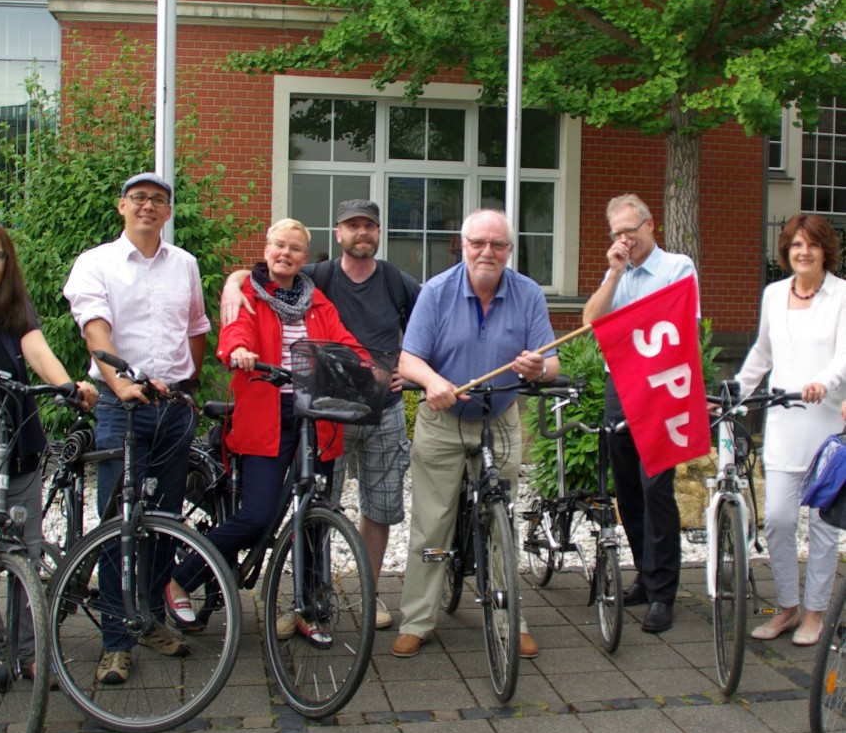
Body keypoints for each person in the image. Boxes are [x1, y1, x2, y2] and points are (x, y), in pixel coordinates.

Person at [220, 199, 420, 629]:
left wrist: (403, 369)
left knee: (360, 509)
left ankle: (349, 598)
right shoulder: (317, 278)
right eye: (353, 226)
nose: (362, 233)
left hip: (371, 409)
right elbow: (262, 280)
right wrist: (233, 283)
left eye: (369, 225)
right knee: (293, 507)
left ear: (379, 232)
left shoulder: (389, 281)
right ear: (338, 234)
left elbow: (424, 322)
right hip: (319, 412)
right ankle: (301, 596)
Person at [166, 218, 362, 644]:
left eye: (294, 248)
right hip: (267, 415)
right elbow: (235, 330)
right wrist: (238, 351)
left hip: (314, 417)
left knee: (314, 516)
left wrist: (370, 368)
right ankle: (180, 580)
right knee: (256, 515)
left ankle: (310, 609)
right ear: (267, 248)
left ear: (304, 259)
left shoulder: (317, 302)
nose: (285, 254)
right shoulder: (248, 293)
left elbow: (345, 343)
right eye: (279, 245)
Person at [63, 171, 211, 685]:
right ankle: (115, 640)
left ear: (168, 212)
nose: (149, 206)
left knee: (165, 518)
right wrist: (119, 379)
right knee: (115, 521)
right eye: (139, 198)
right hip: (119, 405)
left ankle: (148, 619)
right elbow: (94, 327)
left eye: (159, 200)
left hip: (172, 408)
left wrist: (186, 385)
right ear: (122, 206)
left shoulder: (184, 265)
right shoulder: (96, 262)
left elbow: (196, 329)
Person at [393, 208, 560, 659]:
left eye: (498, 244)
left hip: (500, 418)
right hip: (443, 422)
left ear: (510, 248)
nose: (488, 251)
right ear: (462, 245)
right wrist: (431, 381)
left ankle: (510, 617)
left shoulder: (527, 294)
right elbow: (408, 360)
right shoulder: (436, 291)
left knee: (501, 519)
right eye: (478, 243)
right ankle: (418, 619)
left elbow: (553, 362)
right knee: (432, 524)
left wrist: (539, 367)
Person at [0, 220, 97, 684]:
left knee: (22, 561)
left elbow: (39, 351)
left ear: (6, 265)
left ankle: (32, 655)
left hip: (16, 454)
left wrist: (67, 385)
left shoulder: (15, 313)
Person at [582, 193, 697, 634]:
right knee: (627, 489)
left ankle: (664, 592)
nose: (625, 239)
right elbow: (592, 323)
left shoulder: (677, 268)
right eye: (617, 233)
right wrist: (613, 272)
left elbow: (679, 321)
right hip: (621, 386)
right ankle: (646, 577)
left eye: (631, 230)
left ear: (652, 226)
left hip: (662, 384)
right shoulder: (619, 275)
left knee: (657, 489)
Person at [735, 213, 846, 646]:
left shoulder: (841, 296)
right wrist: (734, 394)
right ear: (787, 251)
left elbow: (842, 356)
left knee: (822, 523)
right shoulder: (774, 294)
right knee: (778, 520)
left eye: (812, 245)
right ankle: (786, 606)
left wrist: (826, 383)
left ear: (825, 251)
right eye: (796, 245)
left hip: (824, 422)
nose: (804, 252)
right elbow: (762, 353)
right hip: (782, 421)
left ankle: (815, 612)